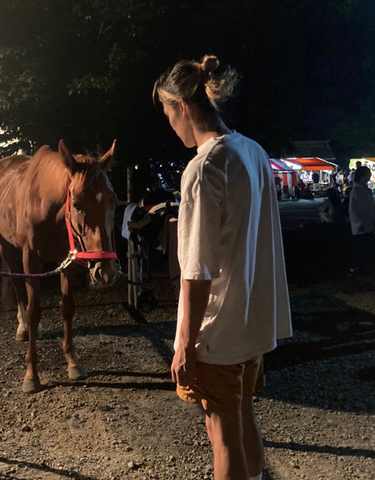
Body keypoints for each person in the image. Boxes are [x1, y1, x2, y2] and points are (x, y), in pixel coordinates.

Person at [153, 55, 292, 480]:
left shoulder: (203, 168)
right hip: (251, 322)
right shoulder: (252, 151)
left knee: (221, 431)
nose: (169, 125)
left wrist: (183, 344)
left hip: (217, 331)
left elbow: (197, 269)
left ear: (182, 106)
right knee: (243, 416)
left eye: (167, 113)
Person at [348, 166, 375, 275]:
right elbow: (352, 210)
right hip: (361, 225)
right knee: (360, 247)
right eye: (368, 174)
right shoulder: (355, 192)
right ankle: (356, 268)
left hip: (368, 223)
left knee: (366, 247)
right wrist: (359, 222)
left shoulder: (366, 191)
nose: (369, 176)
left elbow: (371, 208)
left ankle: (363, 267)